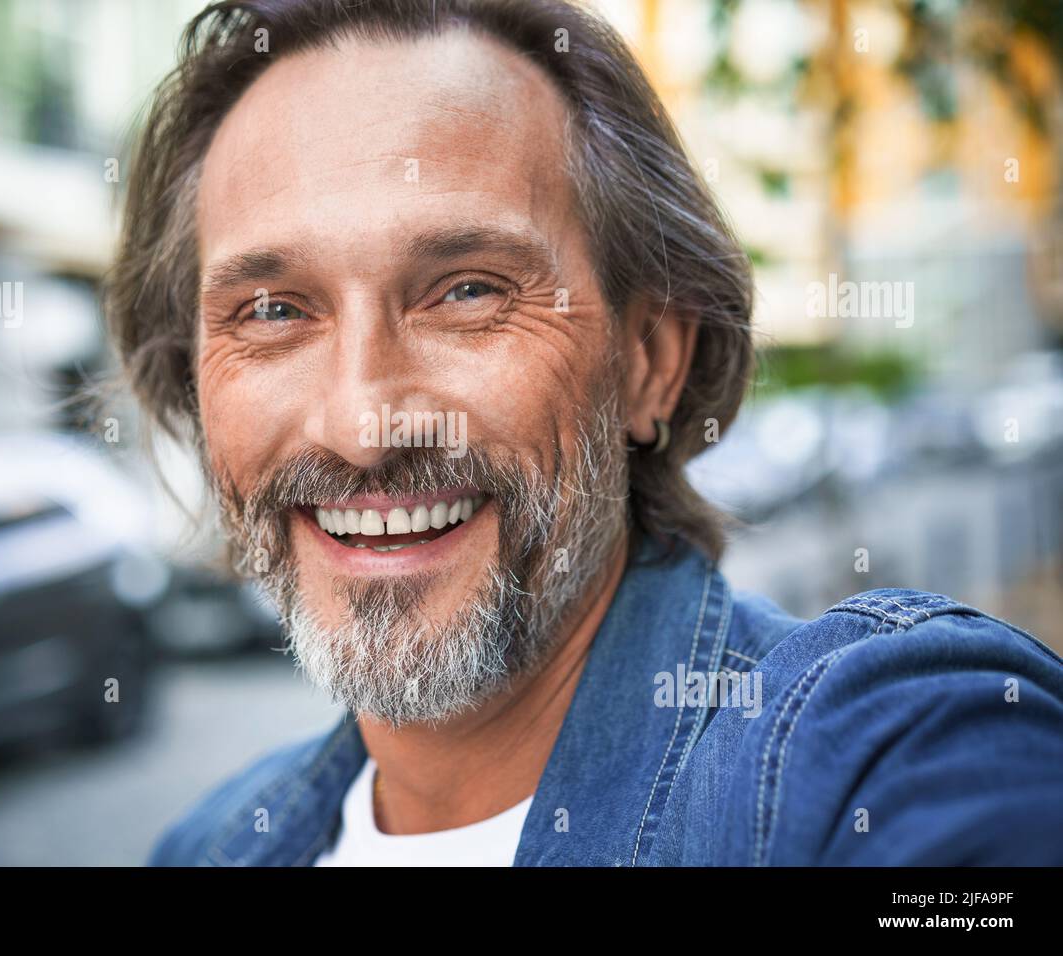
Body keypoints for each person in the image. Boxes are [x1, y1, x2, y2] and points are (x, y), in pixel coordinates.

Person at [105, 0, 1063, 866]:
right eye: (273, 310)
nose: (362, 426)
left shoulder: (878, 749)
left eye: (469, 291)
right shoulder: (209, 847)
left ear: (649, 362)